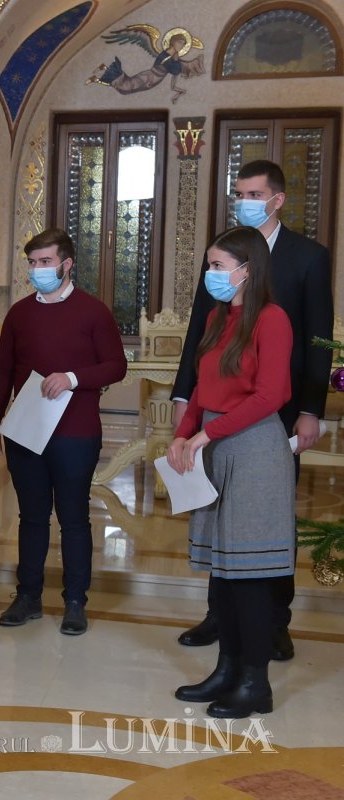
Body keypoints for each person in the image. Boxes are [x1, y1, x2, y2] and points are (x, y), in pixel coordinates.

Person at [172, 159, 332, 661]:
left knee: (266, 523)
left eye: (253, 194)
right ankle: (221, 617)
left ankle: (273, 623)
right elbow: (201, 337)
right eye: (238, 193)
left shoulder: (307, 257)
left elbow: (318, 337)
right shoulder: (223, 257)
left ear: (277, 199)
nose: (243, 201)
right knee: (221, 519)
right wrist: (185, 403)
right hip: (220, 409)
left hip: (273, 413)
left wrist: (312, 408)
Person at [167, 225, 294, 719]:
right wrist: (184, 432)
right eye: (210, 265)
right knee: (222, 570)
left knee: (249, 573)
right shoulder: (218, 317)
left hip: (255, 448)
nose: (211, 274)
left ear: (247, 269)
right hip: (216, 443)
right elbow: (203, 386)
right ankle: (227, 668)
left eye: (218, 266)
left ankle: (255, 683)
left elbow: (272, 395)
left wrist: (207, 435)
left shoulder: (272, 319)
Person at [0, 228, 126, 636]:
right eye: (32, 262)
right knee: (31, 517)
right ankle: (27, 596)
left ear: (66, 264)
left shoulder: (93, 312)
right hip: (26, 431)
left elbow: (116, 366)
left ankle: (75, 601)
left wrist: (73, 378)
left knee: (74, 518)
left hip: (76, 433)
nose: (37, 270)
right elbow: (3, 372)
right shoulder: (19, 314)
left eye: (45, 262)